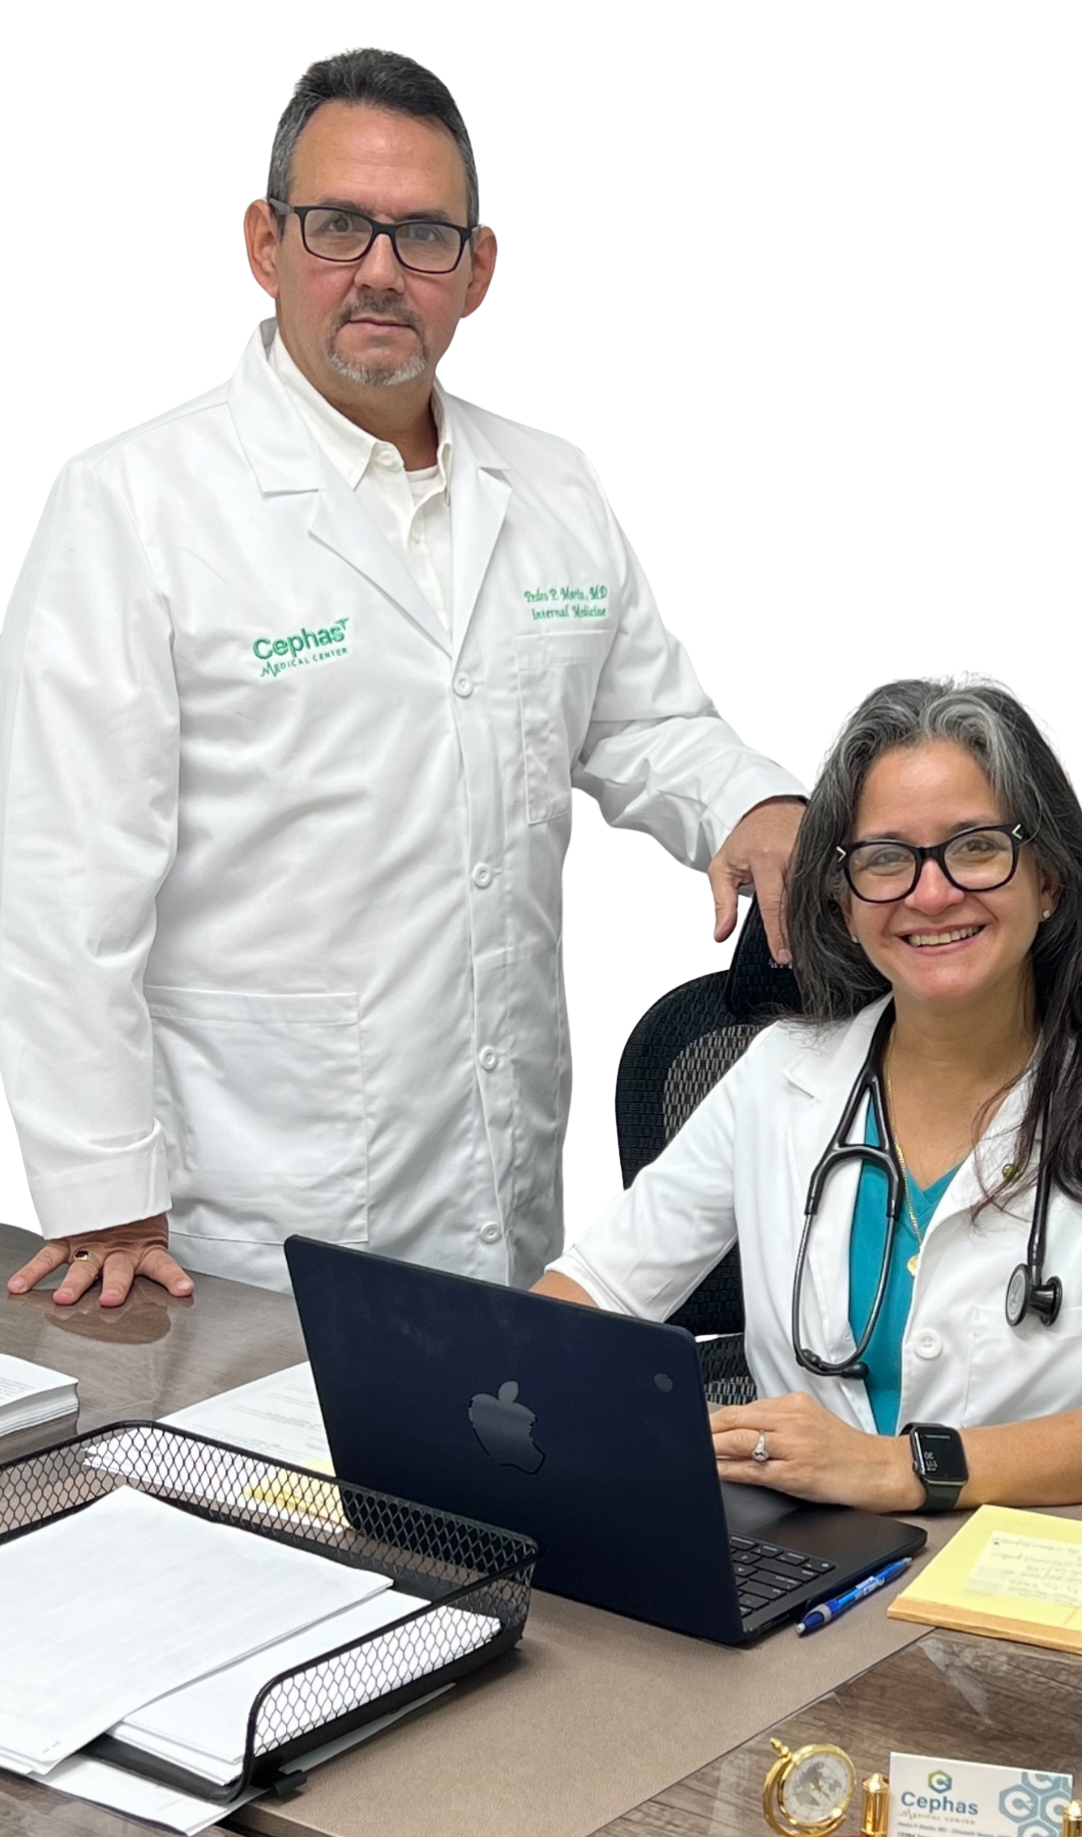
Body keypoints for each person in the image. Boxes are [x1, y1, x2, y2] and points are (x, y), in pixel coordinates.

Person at [0, 50, 805, 1312]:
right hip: (243, 1213)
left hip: (506, 1187)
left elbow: (646, 720)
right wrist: (103, 1182)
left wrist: (752, 800)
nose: (380, 269)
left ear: (476, 272)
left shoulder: (552, 487)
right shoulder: (132, 506)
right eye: (338, 225)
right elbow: (65, 885)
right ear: (264, 244)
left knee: (489, 1427)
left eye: (425, 234)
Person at [536, 679, 1082, 1519]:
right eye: (885, 859)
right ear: (843, 901)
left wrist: (899, 1468)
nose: (931, 893)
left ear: (1050, 880)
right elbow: (598, 1288)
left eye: (975, 847)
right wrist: (495, 1389)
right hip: (805, 1564)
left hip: (1028, 1571)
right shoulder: (779, 1076)